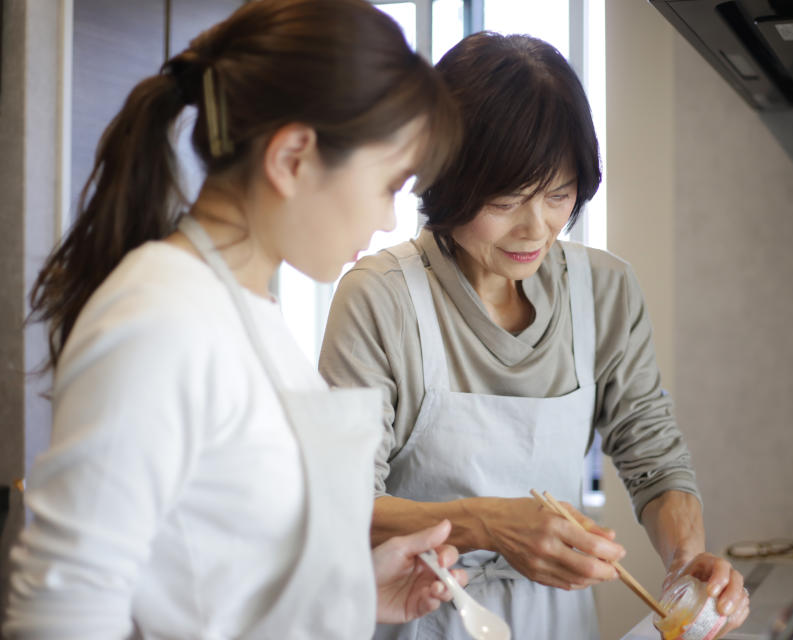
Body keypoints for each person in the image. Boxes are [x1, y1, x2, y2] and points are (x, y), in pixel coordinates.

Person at [3, 1, 465, 638]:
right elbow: (65, 613)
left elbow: (218, 571)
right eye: (389, 185)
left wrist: (350, 592)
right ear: (293, 156)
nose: (388, 220)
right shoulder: (160, 318)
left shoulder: (248, 311)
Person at [318, 32, 751, 639]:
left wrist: (686, 563)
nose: (536, 228)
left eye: (558, 195)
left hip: (559, 622)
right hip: (418, 614)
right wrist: (487, 524)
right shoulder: (381, 297)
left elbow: (652, 454)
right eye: (507, 198)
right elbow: (339, 505)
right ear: (446, 178)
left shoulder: (604, 290)